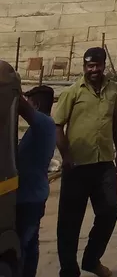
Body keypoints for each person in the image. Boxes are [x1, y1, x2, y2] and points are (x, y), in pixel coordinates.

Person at [55, 46, 117, 277]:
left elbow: (116, 122)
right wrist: (66, 157)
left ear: (104, 65)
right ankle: (68, 270)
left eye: (97, 65)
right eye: (89, 66)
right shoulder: (73, 92)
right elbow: (57, 125)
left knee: (109, 212)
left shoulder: (113, 90)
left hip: (104, 162)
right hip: (77, 166)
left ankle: (91, 260)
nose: (93, 70)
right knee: (69, 223)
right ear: (84, 67)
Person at [17, 85, 57, 277]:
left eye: (31, 102)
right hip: (30, 195)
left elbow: (19, 105)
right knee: (29, 244)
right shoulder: (40, 127)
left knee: (24, 245)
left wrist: (10, 86)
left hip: (30, 198)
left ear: (37, 104)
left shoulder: (44, 124)